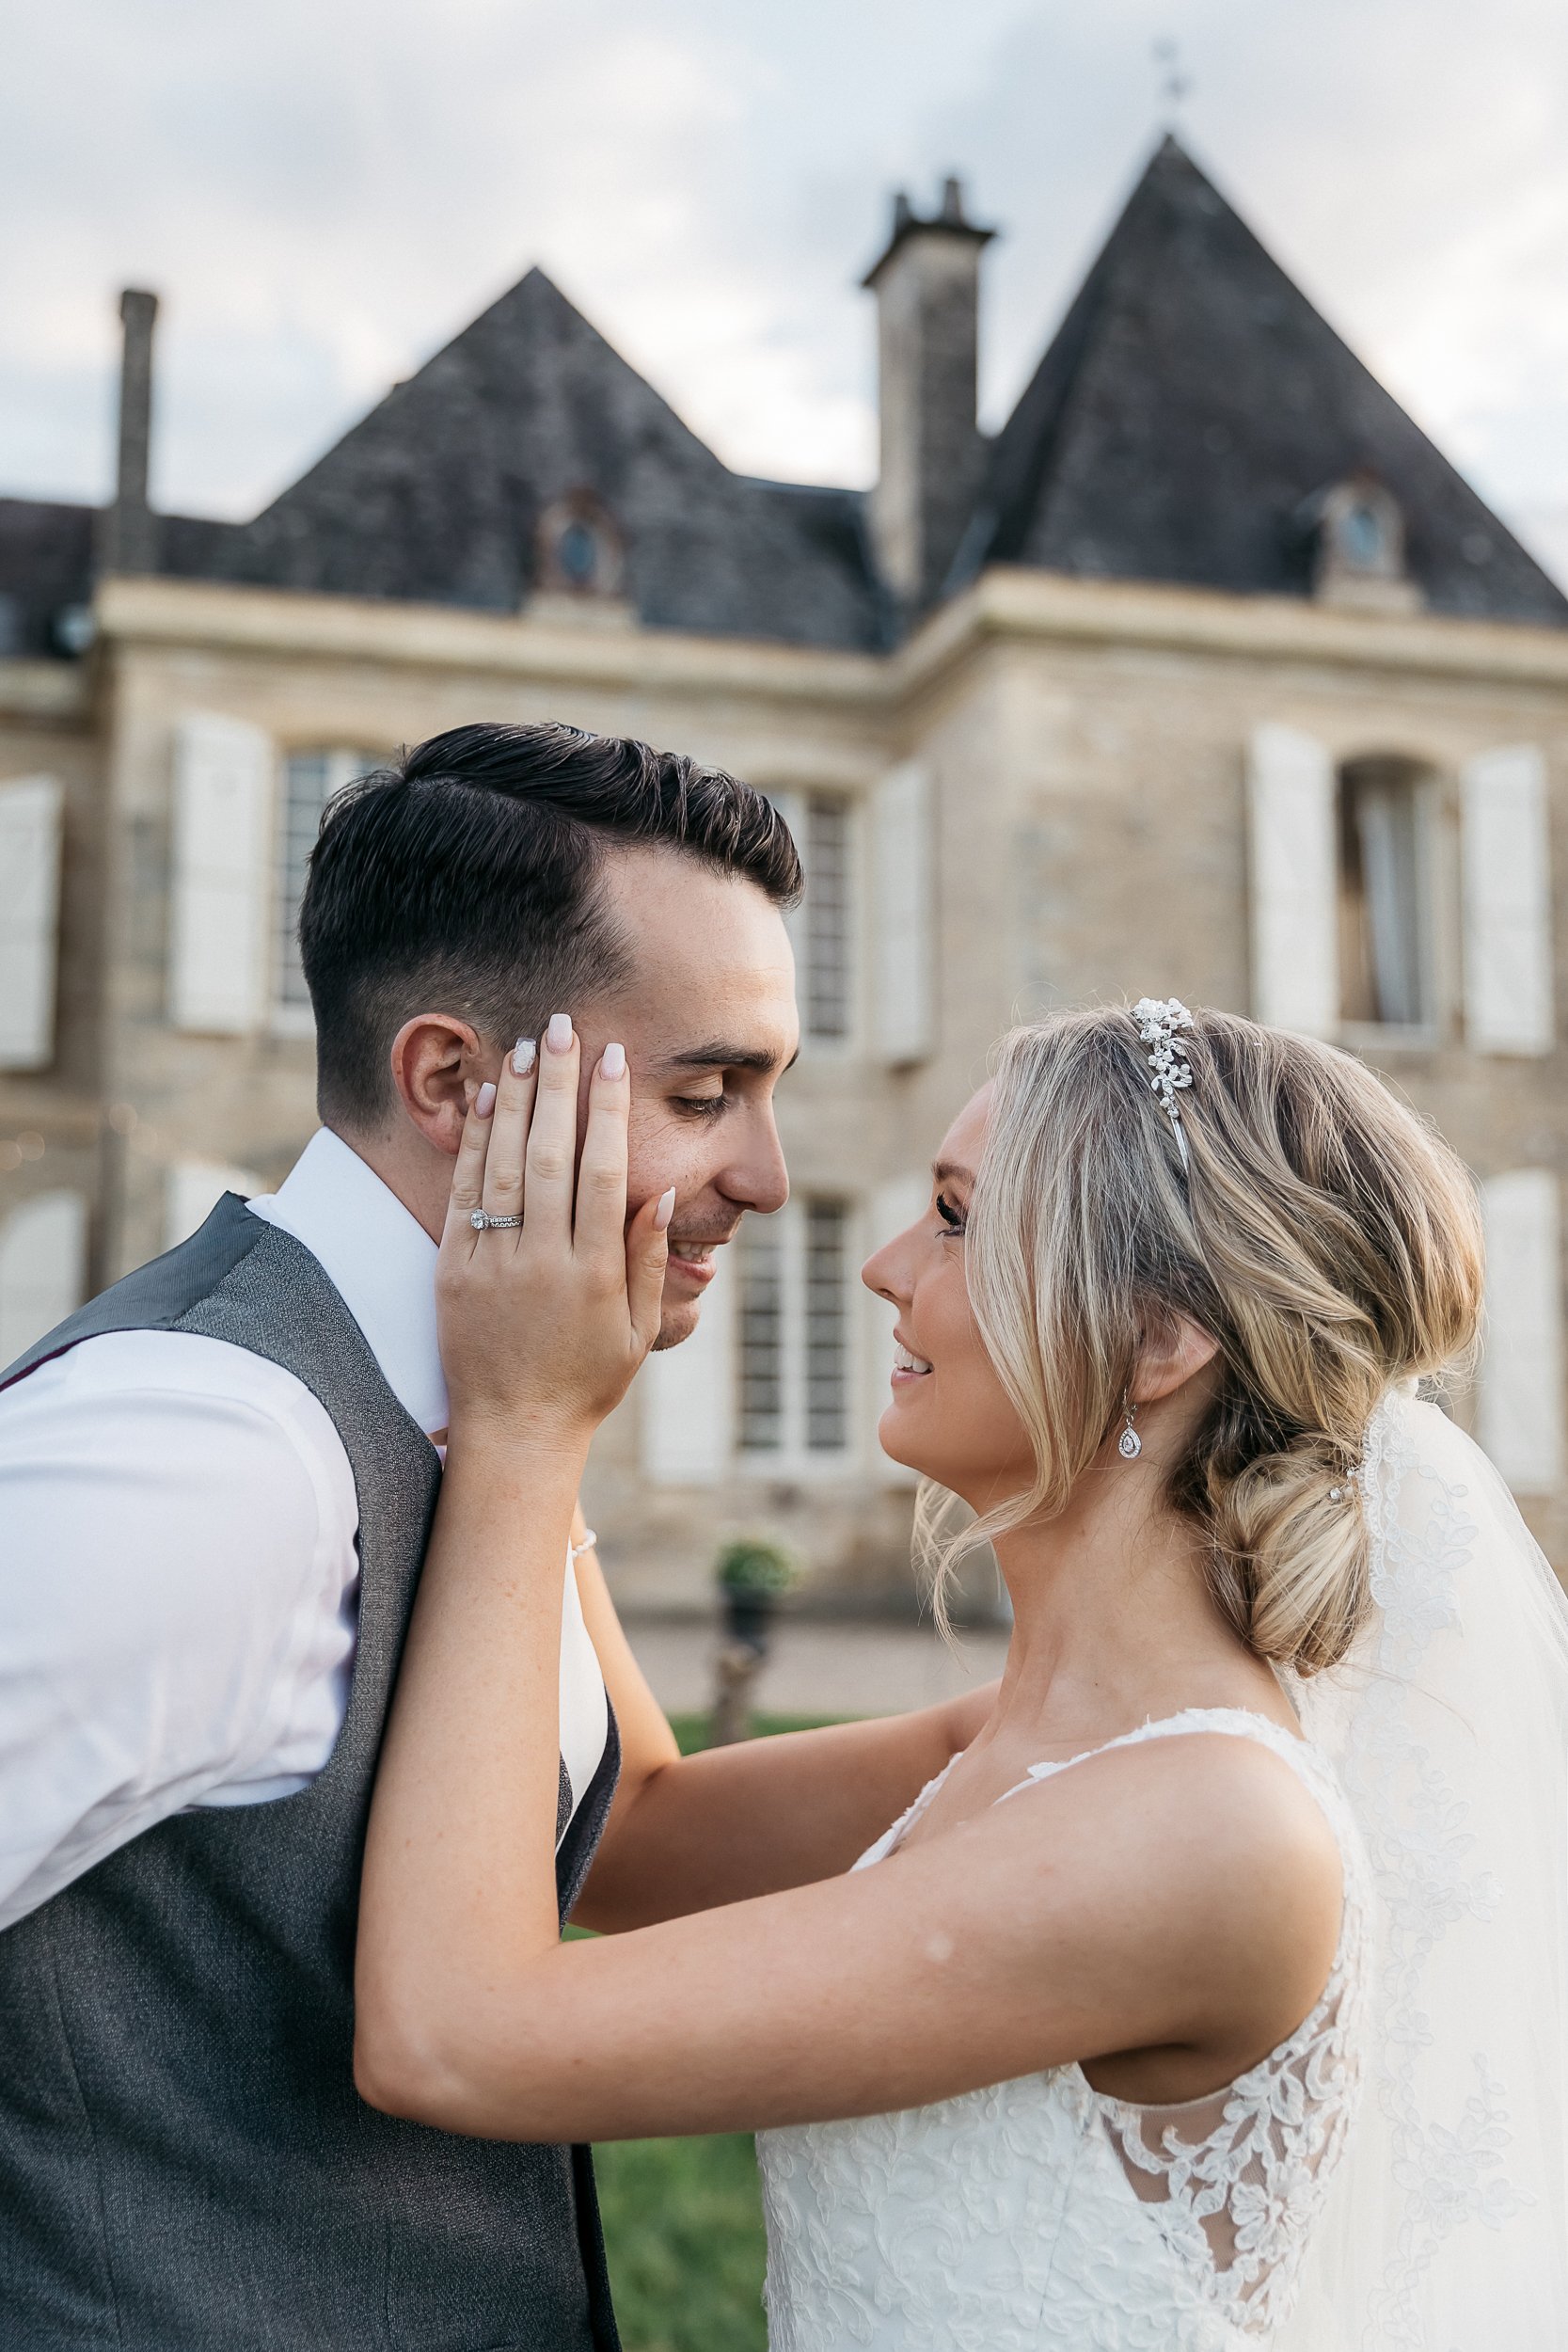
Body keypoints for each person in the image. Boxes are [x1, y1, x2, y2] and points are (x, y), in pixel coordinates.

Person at [355, 997, 1568, 2349]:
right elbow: (633, 1835)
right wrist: (544, 1412)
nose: (883, 1268)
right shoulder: (1039, 1745)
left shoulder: (1205, 1832)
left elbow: (450, 2037)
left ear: (1159, 1339)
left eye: (951, 1216)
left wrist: (521, 1427)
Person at [0, 722, 999, 2350]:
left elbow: (637, 1826)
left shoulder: (490, 1393)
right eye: (704, 1092)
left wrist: (1116, 1707)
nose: (767, 1175)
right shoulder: (204, 1457)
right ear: (457, 1085)